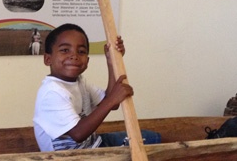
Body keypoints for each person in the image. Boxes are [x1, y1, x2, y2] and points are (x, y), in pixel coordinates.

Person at [33, 23, 161, 152]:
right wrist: (112, 100)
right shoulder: (52, 92)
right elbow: (78, 134)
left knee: (152, 137)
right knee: (150, 143)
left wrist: (112, 62)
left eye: (81, 51)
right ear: (48, 59)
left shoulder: (80, 82)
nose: (74, 56)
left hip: (94, 144)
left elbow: (111, 102)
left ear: (87, 61)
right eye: (65, 50)